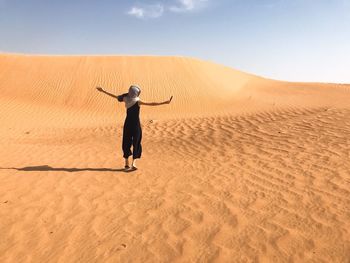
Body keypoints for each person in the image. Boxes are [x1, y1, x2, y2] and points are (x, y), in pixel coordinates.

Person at [96, 85, 173, 170]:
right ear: (136, 93)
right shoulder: (137, 101)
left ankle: (129, 163)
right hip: (135, 125)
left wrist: (103, 91)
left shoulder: (125, 98)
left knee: (127, 141)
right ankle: (131, 163)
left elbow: (114, 96)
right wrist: (164, 102)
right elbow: (152, 104)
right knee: (135, 142)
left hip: (128, 124)